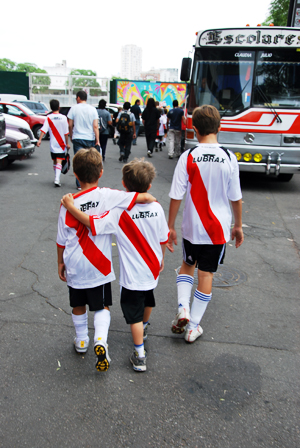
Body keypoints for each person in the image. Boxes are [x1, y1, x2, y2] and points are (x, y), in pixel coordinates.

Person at [61, 158, 169, 372]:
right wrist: (161, 258)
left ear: (124, 184)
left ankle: (139, 355)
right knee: (148, 300)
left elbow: (91, 222)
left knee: (134, 315)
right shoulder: (156, 208)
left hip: (132, 277)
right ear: (148, 186)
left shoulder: (119, 212)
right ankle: (145, 330)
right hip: (152, 269)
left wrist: (70, 207)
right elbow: (163, 238)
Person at [167, 105, 244, 343]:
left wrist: (169, 226)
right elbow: (236, 198)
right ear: (219, 127)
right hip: (217, 229)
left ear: (194, 128)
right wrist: (238, 225)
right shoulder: (229, 157)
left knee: (187, 265)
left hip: (192, 226)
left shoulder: (188, 157)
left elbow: (176, 195)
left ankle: (183, 308)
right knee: (206, 274)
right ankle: (193, 327)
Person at [67, 91, 100, 190]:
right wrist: (97, 140)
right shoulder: (93, 109)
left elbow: (70, 125)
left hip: (77, 137)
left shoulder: (74, 108)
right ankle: (89, 182)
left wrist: (71, 135)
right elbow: (95, 126)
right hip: (89, 138)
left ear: (78, 98)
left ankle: (79, 184)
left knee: (79, 161)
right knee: (89, 161)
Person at [37, 99, 70, 187]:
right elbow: (66, 133)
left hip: (52, 143)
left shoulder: (48, 117)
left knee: (55, 160)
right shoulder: (63, 117)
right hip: (61, 143)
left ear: (51, 107)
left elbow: (44, 129)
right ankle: (57, 179)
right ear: (59, 107)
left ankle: (56, 177)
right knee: (59, 160)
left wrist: (39, 140)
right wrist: (67, 143)